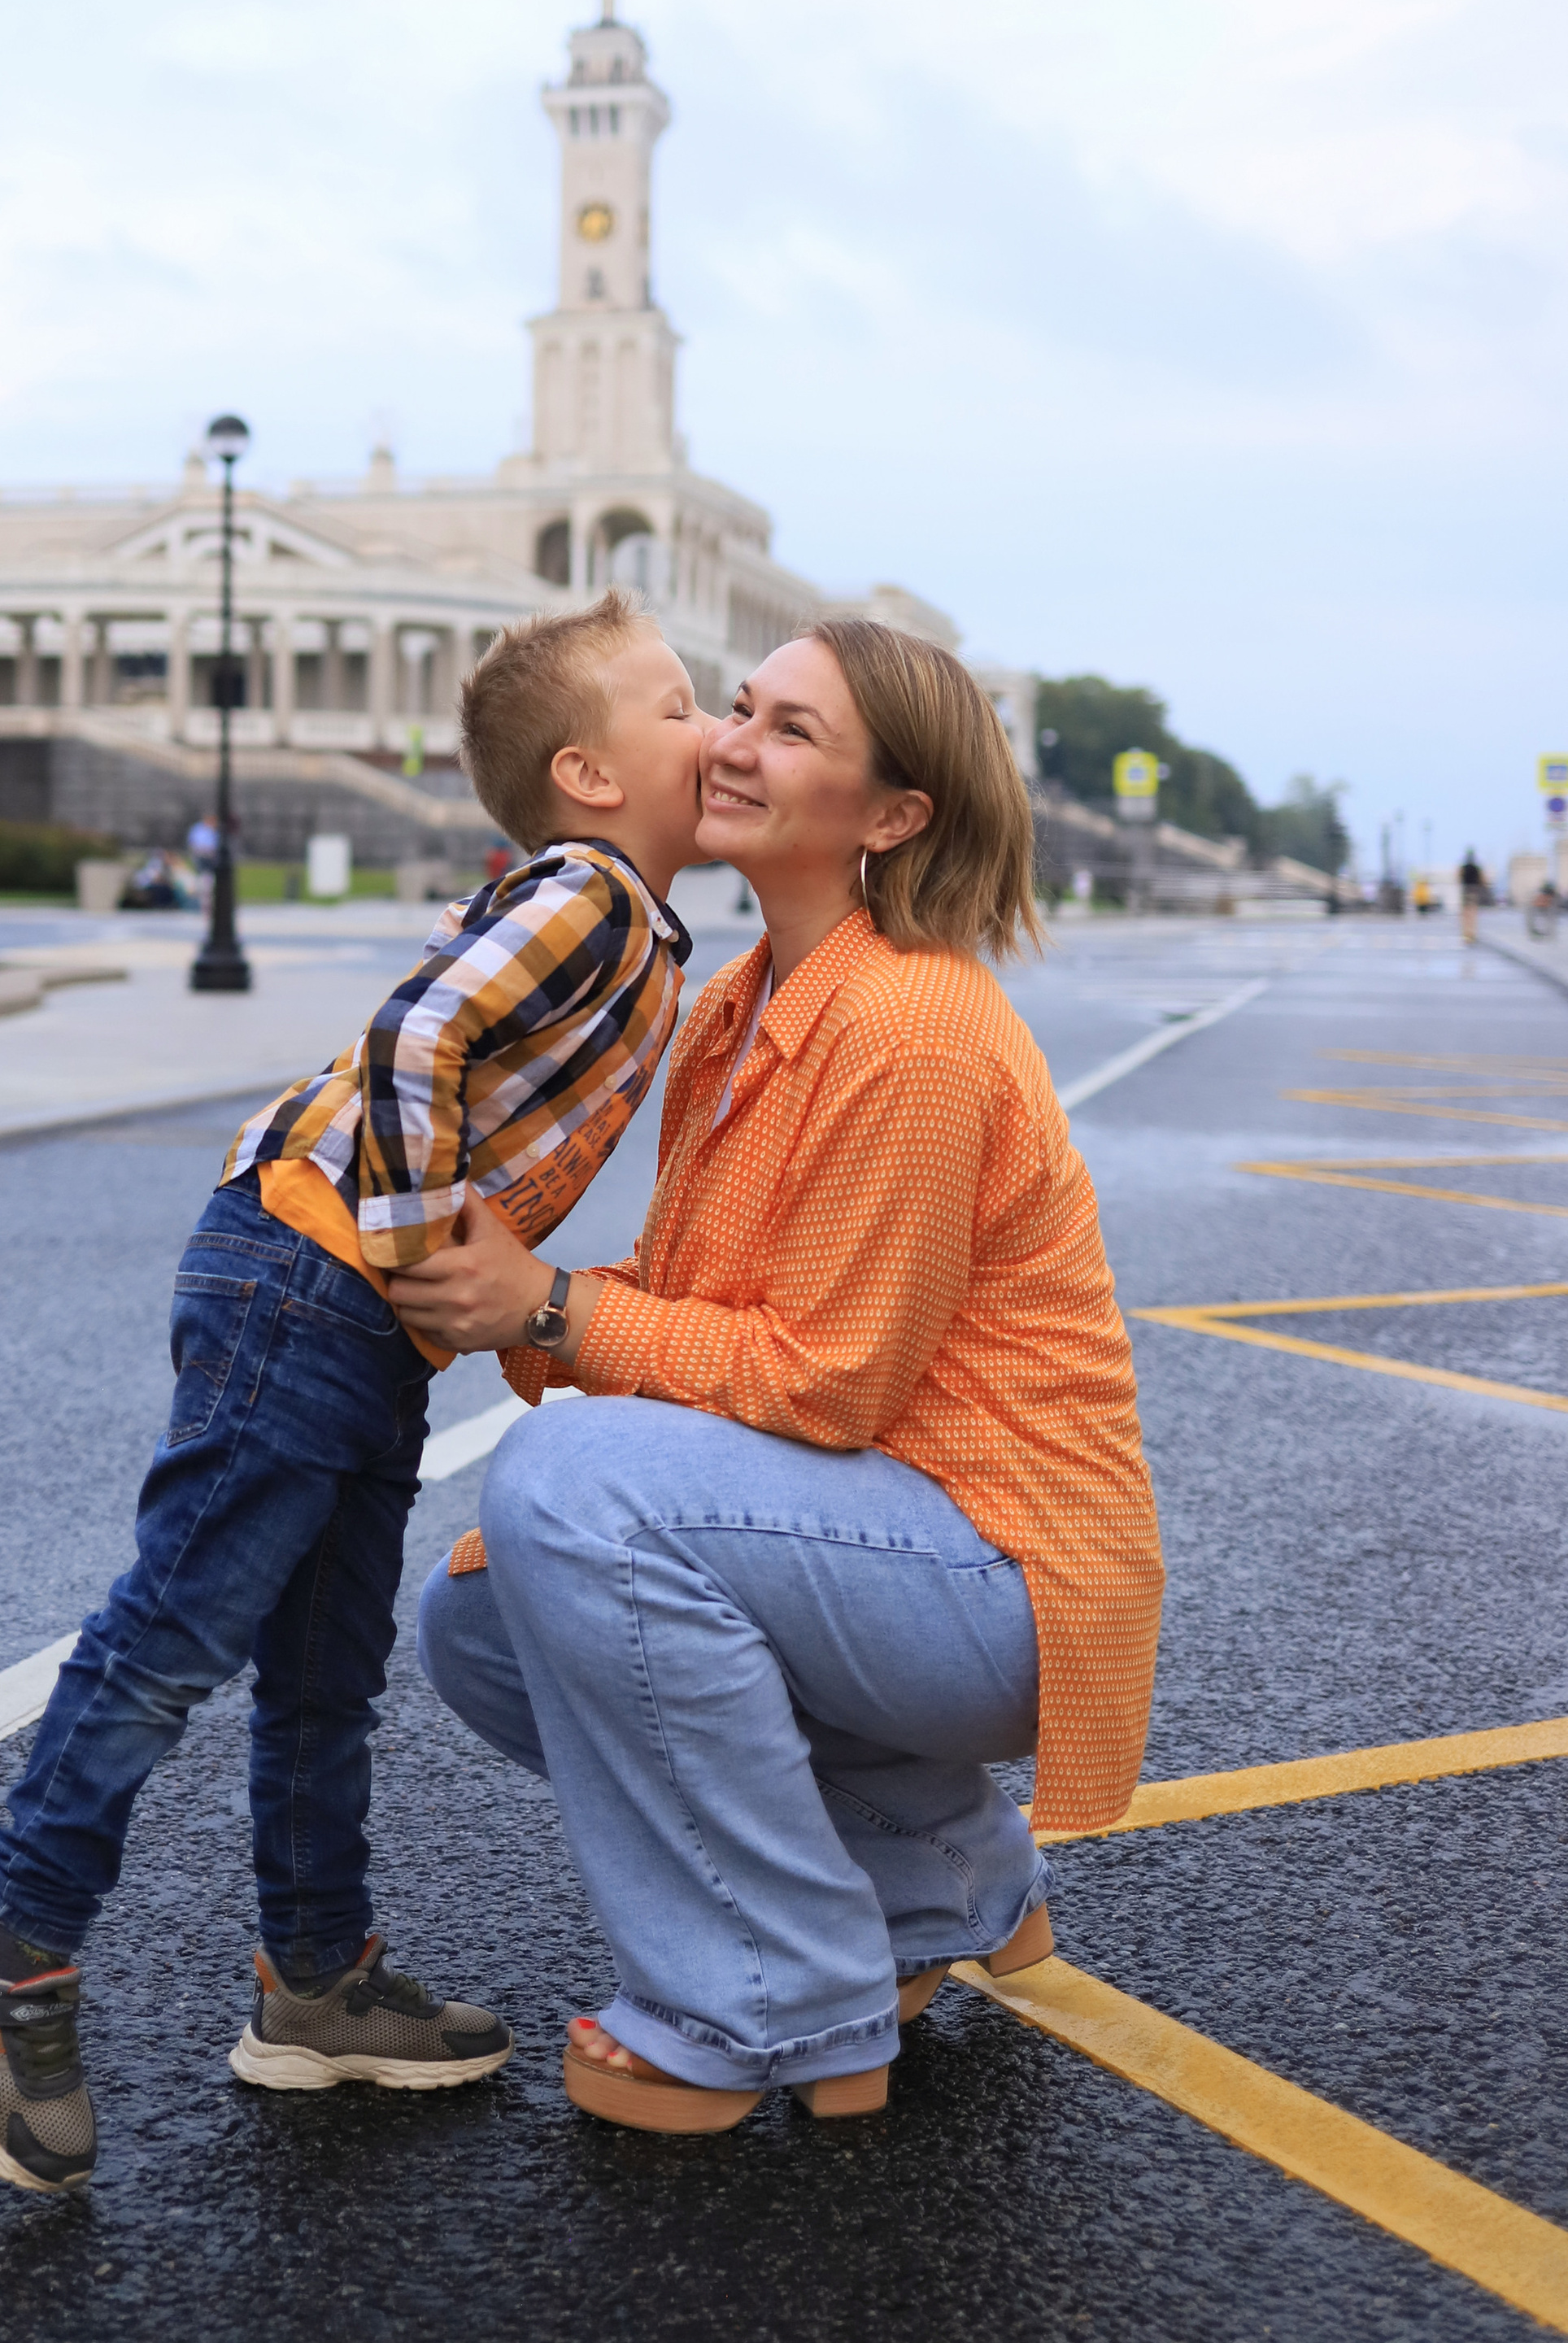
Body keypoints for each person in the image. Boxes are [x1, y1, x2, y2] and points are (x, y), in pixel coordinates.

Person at [0, 591, 709, 2191]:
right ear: (591, 775)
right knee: (172, 1637)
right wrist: (417, 1254)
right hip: (310, 1273)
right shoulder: (592, 894)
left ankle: (314, 1985)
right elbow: (418, 1035)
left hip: (340, 1295)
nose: (718, 726)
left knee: (324, 1671)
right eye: (678, 705)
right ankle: (8, 1956)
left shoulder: (626, 911)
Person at [403, 620, 1165, 2133]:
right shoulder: (741, 1006)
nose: (733, 743)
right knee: (487, 1624)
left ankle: (763, 2002)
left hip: (999, 1566)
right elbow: (702, 1315)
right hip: (881, 1542)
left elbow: (824, 1387)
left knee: (566, 1493)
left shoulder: (918, 1025)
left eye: (792, 730)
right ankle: (947, 1877)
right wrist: (491, 1294)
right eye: (739, 707)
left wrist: (548, 1309)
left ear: (894, 818)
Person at [1459, 850, 1485, 947]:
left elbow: (1459, 877)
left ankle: (1466, 934)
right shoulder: (1476, 868)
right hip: (1474, 891)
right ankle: (1472, 934)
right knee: (1473, 913)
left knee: (1466, 914)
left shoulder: (1463, 868)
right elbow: (1482, 880)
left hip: (1465, 890)